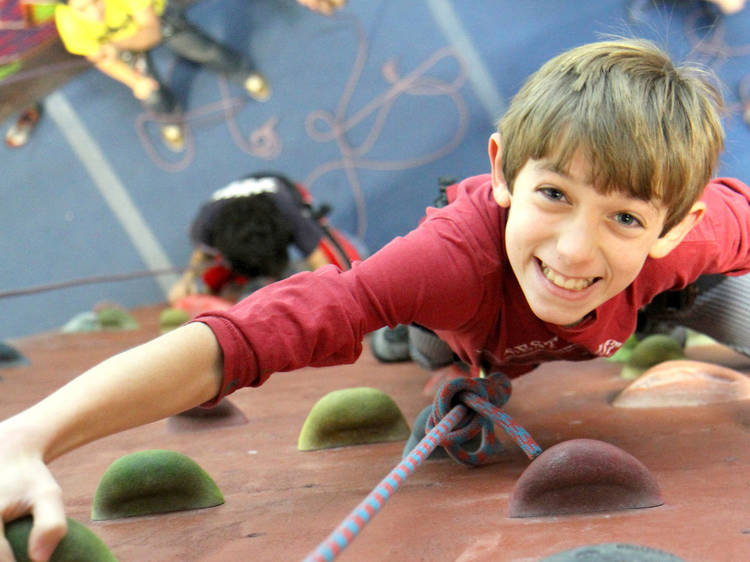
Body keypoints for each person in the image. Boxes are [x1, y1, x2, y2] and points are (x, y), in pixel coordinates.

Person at [2, 38, 750, 561]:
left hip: (636, 306)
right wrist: (29, 435)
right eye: (553, 194)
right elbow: (250, 334)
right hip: (466, 320)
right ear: (503, 174)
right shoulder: (449, 262)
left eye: (624, 216)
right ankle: (416, 341)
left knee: (726, 296)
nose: (577, 247)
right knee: (425, 338)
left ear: (673, 226)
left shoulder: (696, 237)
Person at [52, 0, 346, 148]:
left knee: (207, 51)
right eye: (83, 8)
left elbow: (151, 33)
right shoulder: (67, 22)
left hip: (152, 24)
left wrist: (115, 43)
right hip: (122, 47)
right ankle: (170, 119)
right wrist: (136, 81)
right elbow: (101, 58)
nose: (94, 13)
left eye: (96, 2)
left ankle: (243, 73)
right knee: (151, 95)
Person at [168, 171, 363, 304]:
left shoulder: (290, 214)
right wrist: (185, 281)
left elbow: (320, 259)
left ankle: (279, 276)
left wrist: (341, 296)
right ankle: (251, 283)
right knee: (212, 282)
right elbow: (201, 255)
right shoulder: (204, 225)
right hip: (237, 227)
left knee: (347, 263)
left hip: (286, 195)